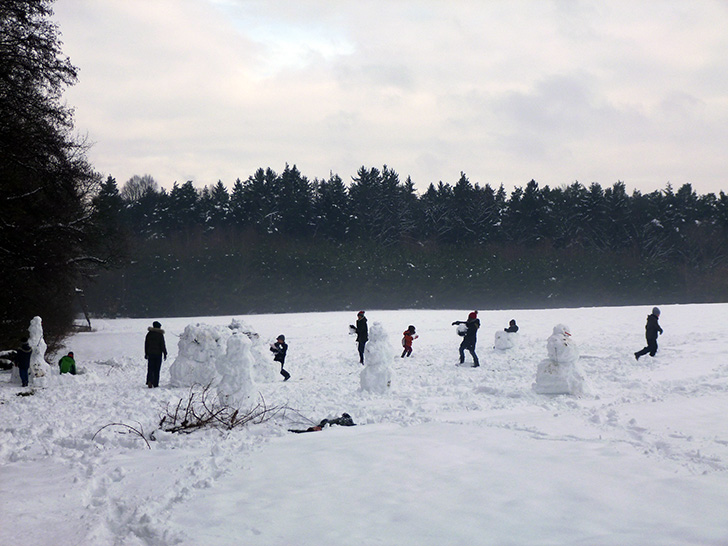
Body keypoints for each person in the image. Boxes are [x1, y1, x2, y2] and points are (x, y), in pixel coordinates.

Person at [144, 321, 167, 388]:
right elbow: (162, 345)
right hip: (158, 354)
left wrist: (146, 353)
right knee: (157, 369)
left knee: (150, 368)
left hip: (150, 354)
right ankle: (155, 383)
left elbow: (146, 344)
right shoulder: (160, 335)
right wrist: (165, 353)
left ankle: (150, 381)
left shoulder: (149, 334)